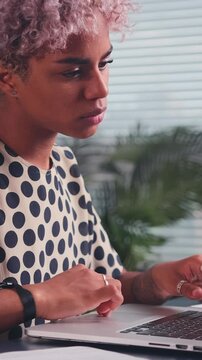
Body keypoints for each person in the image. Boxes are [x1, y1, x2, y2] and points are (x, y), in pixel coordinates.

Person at [0, 0, 202, 340]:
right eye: (72, 72)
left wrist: (158, 281)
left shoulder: (63, 167)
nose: (100, 89)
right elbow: (56, 295)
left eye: (104, 64)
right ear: (7, 78)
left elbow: (104, 282)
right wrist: (39, 298)